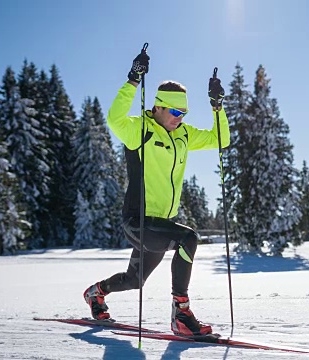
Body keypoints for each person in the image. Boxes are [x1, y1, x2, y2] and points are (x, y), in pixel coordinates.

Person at [82, 47, 229, 336]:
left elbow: (220, 139)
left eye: (184, 112)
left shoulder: (184, 135)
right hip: (137, 221)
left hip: (161, 223)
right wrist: (133, 80)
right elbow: (114, 119)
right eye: (175, 111)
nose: (180, 118)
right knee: (188, 238)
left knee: (133, 280)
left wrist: (217, 107)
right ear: (158, 107)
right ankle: (181, 314)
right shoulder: (141, 130)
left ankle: (95, 294)